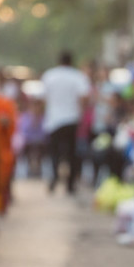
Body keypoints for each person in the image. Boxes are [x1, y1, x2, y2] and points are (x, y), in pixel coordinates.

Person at [42, 50, 91, 194]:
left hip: (54, 121)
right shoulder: (78, 76)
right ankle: (70, 183)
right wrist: (81, 115)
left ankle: (55, 175)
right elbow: (84, 98)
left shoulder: (49, 76)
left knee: (55, 152)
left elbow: (43, 97)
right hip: (71, 119)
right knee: (71, 153)